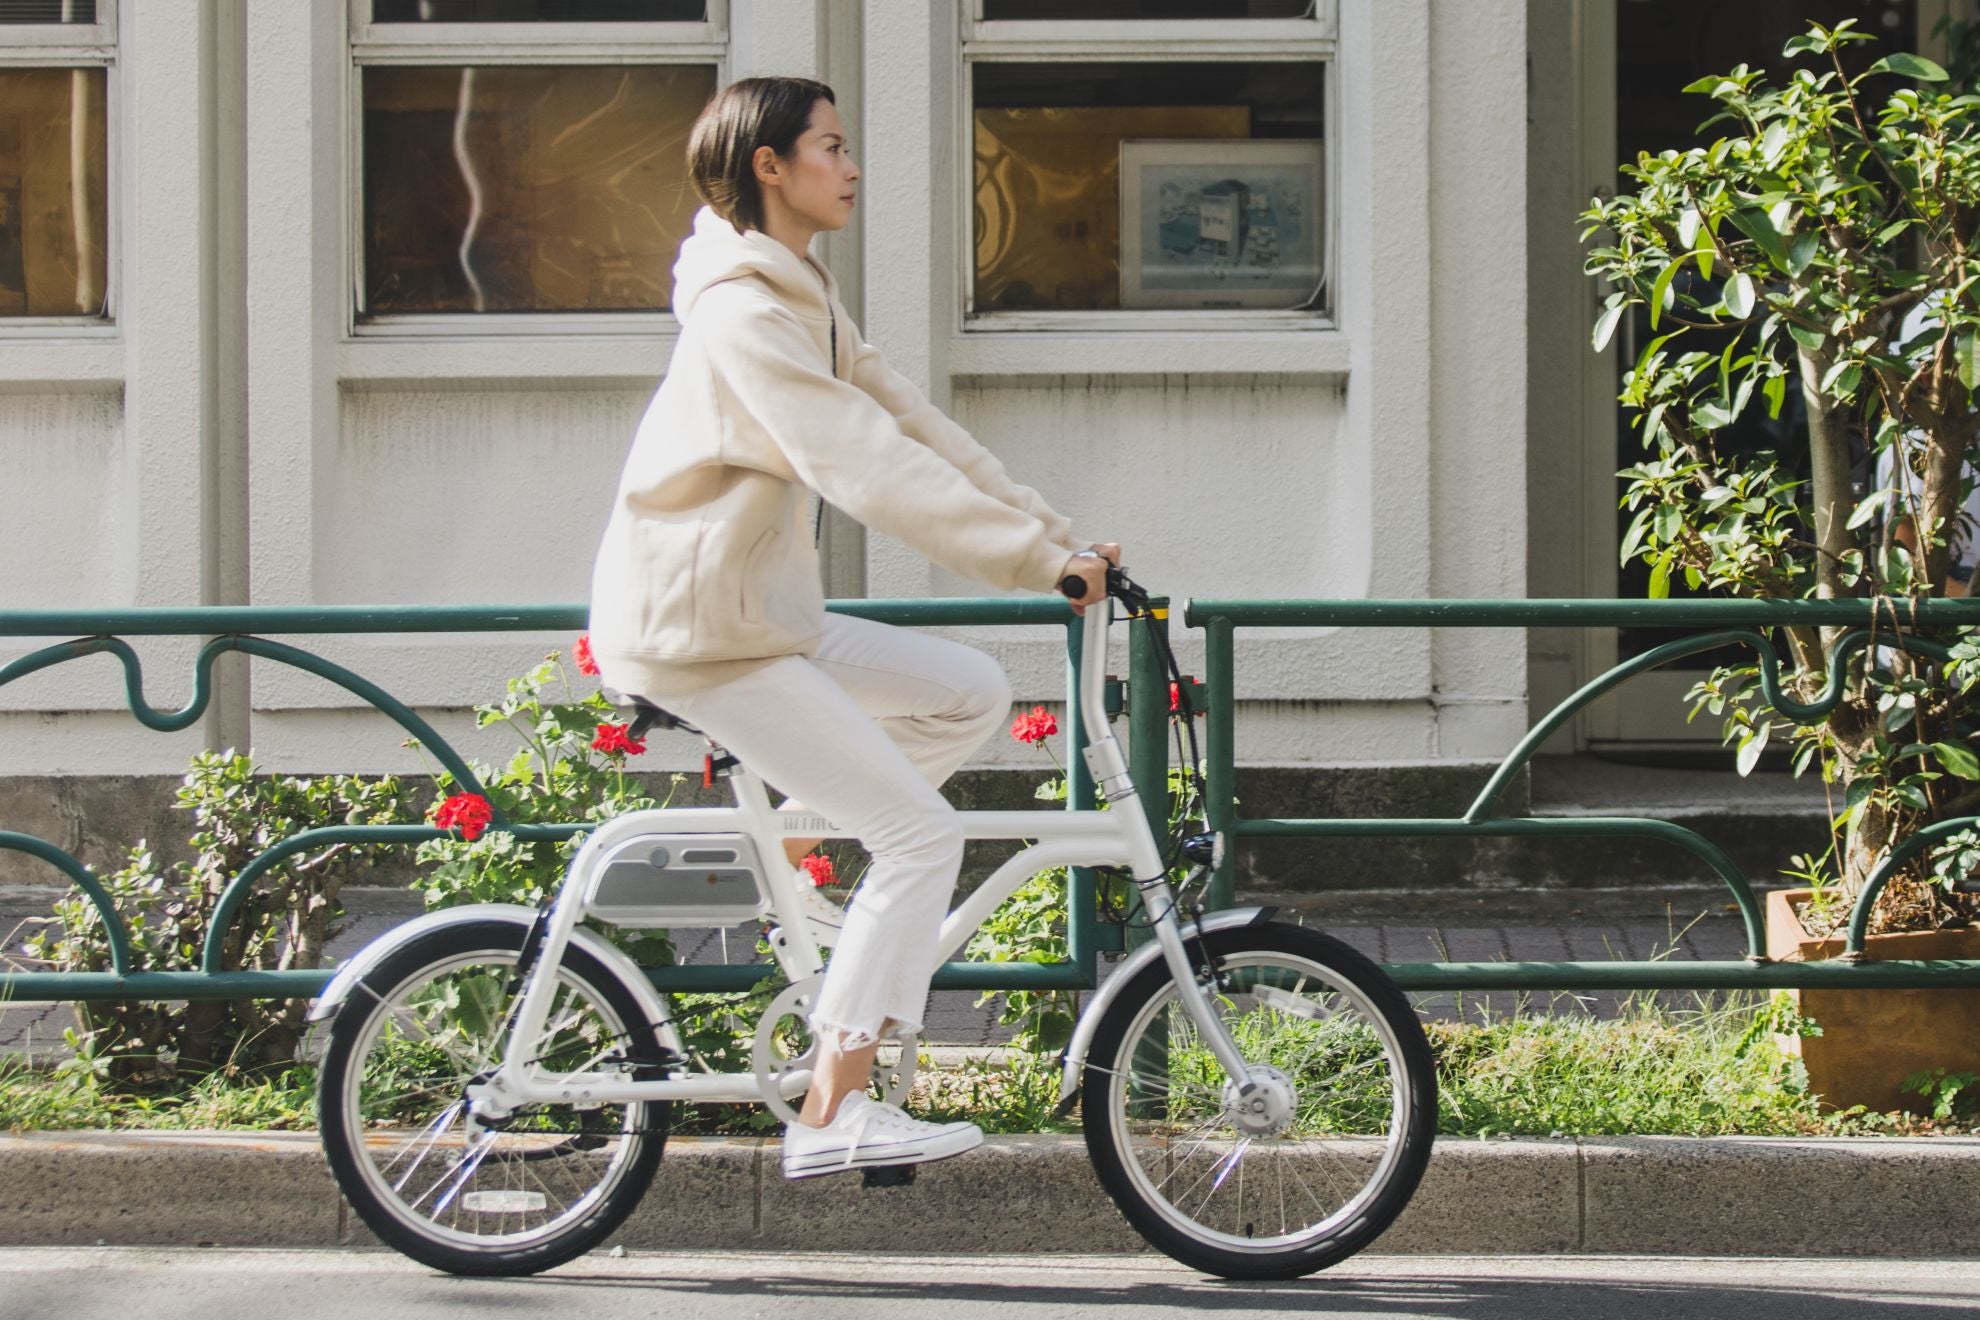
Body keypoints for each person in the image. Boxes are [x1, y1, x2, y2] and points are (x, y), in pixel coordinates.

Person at [586, 76, 1121, 1179]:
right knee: (922, 835)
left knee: (965, 688)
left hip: (757, 613)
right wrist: (1034, 566)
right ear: (769, 167)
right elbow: (862, 464)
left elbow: (910, 423)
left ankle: (806, 867)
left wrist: (1058, 540)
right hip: (698, 630)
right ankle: (833, 1108)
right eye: (830, 146)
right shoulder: (745, 316)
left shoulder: (802, 296)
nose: (853, 165)